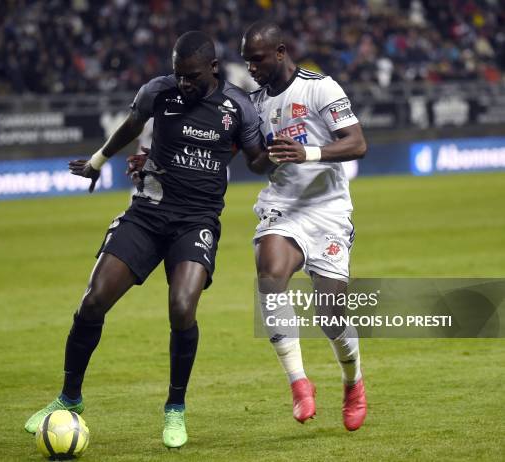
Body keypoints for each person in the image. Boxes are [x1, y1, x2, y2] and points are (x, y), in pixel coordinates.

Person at [23, 31, 272, 448]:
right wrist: (99, 160)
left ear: (212, 68)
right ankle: (69, 397)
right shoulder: (158, 92)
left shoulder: (238, 107)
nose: (184, 83)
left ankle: (175, 408)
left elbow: (256, 161)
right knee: (93, 300)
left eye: (191, 76)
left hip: (196, 221)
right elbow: (132, 124)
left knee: (181, 308)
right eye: (178, 74)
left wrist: (278, 153)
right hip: (147, 214)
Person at [240, 21, 368, 431]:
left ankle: (353, 382)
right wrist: (270, 158)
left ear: (280, 51)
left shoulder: (320, 87)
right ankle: (299, 383)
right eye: (246, 61)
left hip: (328, 207)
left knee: (330, 314)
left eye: (257, 59)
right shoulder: (254, 102)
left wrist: (307, 153)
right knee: (270, 272)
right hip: (283, 205)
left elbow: (357, 142)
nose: (251, 68)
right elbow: (255, 161)